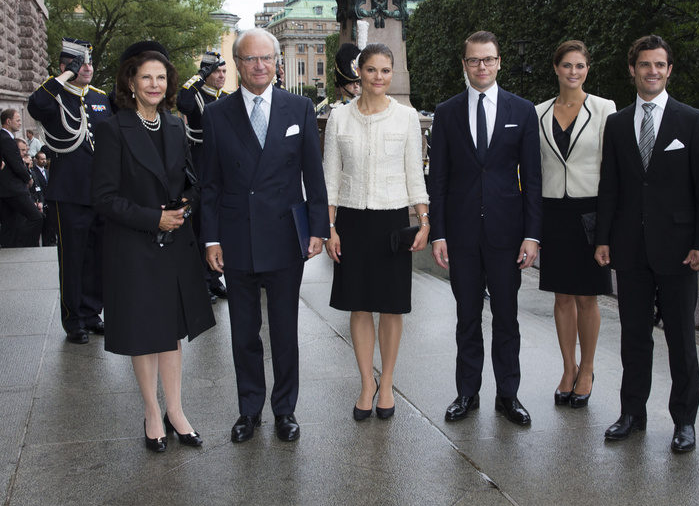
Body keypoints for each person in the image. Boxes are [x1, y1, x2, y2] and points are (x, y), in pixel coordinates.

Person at [200, 28, 329, 443]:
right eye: (250, 59)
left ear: (277, 63)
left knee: (285, 331)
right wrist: (211, 239)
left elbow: (314, 174)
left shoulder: (300, 107)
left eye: (266, 59)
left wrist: (317, 231)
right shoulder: (217, 115)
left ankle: (285, 410)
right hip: (236, 239)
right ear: (237, 64)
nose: (259, 66)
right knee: (243, 332)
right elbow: (210, 185)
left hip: (284, 237)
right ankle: (249, 409)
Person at [90, 47, 216, 452]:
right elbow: (104, 199)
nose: (155, 85)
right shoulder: (113, 129)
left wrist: (185, 207)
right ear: (131, 82)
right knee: (144, 333)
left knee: (170, 333)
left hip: (174, 244)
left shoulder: (177, 126)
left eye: (161, 78)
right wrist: (153, 218)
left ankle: (176, 411)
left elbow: (192, 181)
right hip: (133, 246)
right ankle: (150, 411)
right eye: (146, 78)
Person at [594, 35, 699, 451]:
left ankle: (685, 421)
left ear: (669, 69)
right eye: (645, 65)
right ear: (633, 69)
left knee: (681, 339)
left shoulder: (692, 121)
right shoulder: (619, 123)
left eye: (660, 64)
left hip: (679, 250)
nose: (653, 71)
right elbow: (611, 186)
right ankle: (632, 413)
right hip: (630, 247)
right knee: (633, 336)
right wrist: (604, 238)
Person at [428, 30, 542, 426]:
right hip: (460, 235)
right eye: (474, 60)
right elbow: (438, 179)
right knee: (466, 317)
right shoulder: (447, 112)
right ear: (464, 64)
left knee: (507, 318)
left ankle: (508, 395)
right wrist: (438, 233)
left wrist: (532, 234)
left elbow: (533, 177)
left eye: (488, 59)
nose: (482, 66)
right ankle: (467, 392)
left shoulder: (522, 111)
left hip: (507, 235)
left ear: (499, 62)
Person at [323, 43, 429, 421]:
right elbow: (330, 178)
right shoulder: (339, 118)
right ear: (359, 73)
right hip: (351, 221)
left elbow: (414, 174)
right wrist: (329, 228)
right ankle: (367, 382)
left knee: (391, 306)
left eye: (386, 71)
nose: (379, 78)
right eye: (371, 70)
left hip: (392, 221)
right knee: (360, 304)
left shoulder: (406, 118)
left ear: (392, 73)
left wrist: (424, 220)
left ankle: (388, 384)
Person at [535, 40, 615, 408]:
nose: (573, 72)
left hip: (590, 212)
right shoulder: (538, 113)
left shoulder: (604, 109)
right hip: (553, 212)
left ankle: (587, 368)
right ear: (556, 68)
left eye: (580, 66)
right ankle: (568, 368)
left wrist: (608, 229)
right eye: (567, 65)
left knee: (587, 296)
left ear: (587, 69)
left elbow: (611, 170)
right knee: (562, 295)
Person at [28, 38, 113, 344]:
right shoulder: (54, 96)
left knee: (97, 257)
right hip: (69, 193)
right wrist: (64, 77)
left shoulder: (101, 98)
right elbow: (35, 104)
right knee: (73, 259)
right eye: (80, 63)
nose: (87, 67)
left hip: (100, 193)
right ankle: (73, 319)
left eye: (89, 62)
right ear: (64, 67)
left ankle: (92, 312)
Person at [176, 51, 229, 303]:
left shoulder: (227, 99)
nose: (221, 76)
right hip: (199, 164)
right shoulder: (195, 95)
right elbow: (182, 102)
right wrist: (199, 76)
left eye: (223, 71)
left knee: (218, 226)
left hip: (222, 167)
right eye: (216, 71)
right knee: (200, 228)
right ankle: (201, 282)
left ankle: (215, 277)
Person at [0, 110, 43, 248]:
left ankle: (10, 248)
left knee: (9, 224)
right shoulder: (7, 139)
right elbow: (17, 165)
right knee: (36, 217)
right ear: (8, 121)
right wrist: (28, 177)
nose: (20, 123)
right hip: (14, 189)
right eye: (17, 120)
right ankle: (26, 246)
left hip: (5, 191)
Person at [31, 151, 57, 246]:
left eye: (45, 159)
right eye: (41, 159)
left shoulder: (47, 171)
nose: (44, 161)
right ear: (36, 160)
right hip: (41, 200)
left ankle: (50, 241)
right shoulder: (34, 172)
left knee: (50, 224)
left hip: (49, 200)